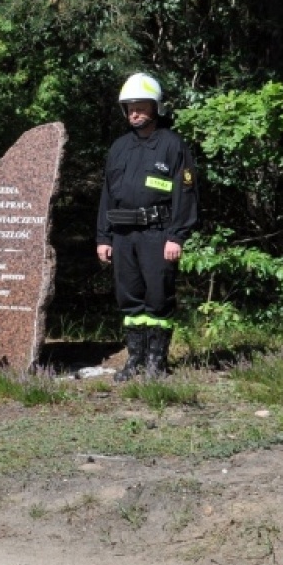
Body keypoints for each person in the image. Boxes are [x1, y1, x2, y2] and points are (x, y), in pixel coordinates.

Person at [96, 73, 199, 381]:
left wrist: (176, 236)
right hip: (123, 235)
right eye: (129, 108)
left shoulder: (172, 145)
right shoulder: (119, 148)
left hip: (159, 234)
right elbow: (107, 195)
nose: (135, 113)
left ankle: (157, 362)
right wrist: (103, 237)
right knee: (130, 298)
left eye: (140, 107)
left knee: (158, 298)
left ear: (155, 108)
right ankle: (135, 360)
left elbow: (186, 194)